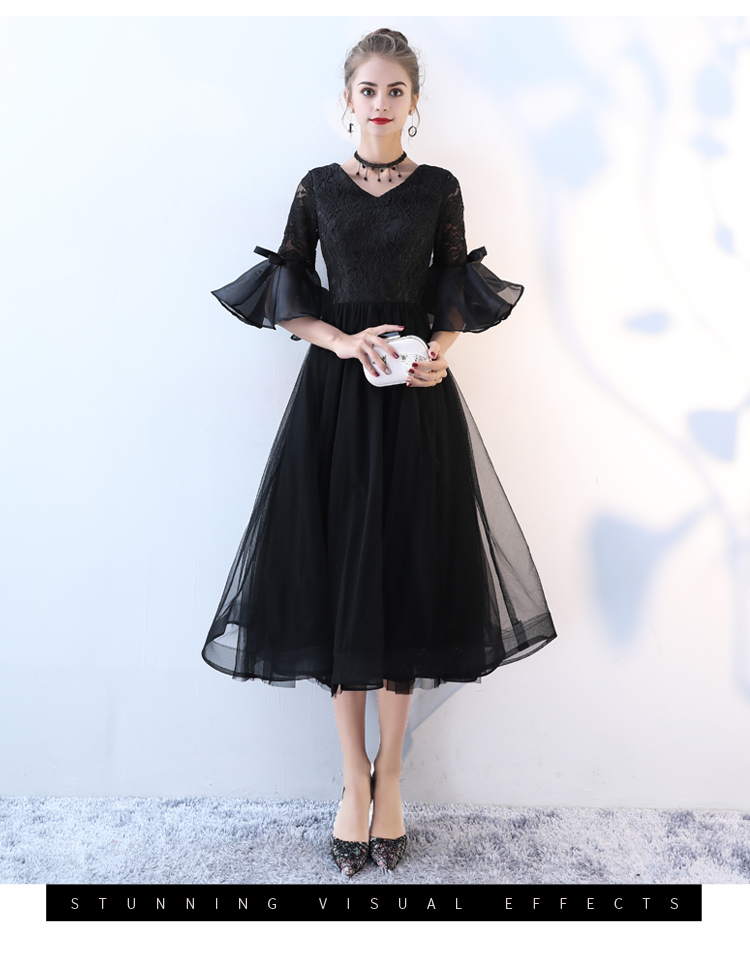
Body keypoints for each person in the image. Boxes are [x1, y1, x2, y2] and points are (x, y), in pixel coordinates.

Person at [202, 28, 557, 877]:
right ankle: (352, 780)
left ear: (414, 102)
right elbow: (289, 291)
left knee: (406, 580)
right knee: (341, 584)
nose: (382, 102)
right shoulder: (318, 187)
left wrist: (440, 353)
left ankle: (391, 774)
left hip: (415, 404)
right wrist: (339, 340)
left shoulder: (439, 188)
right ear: (348, 100)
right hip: (336, 406)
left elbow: (451, 290)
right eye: (369, 89)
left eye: (396, 90)